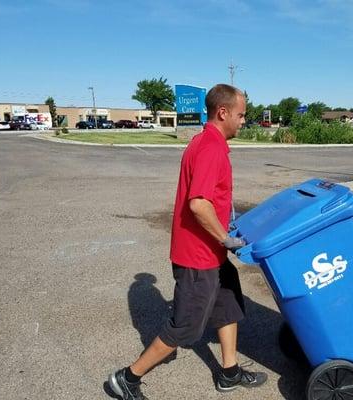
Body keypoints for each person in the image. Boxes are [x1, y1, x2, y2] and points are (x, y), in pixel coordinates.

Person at [108, 84, 267, 400]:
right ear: (223, 112)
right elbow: (198, 203)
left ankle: (229, 372)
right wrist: (225, 238)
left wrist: (225, 232)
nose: (243, 121)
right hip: (198, 256)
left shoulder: (208, 143)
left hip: (212, 254)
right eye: (241, 115)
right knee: (186, 327)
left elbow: (212, 200)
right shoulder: (210, 148)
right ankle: (126, 379)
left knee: (228, 305)